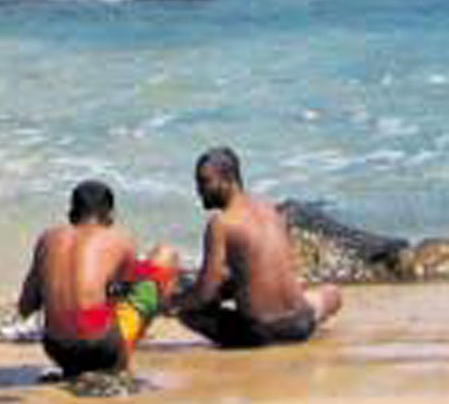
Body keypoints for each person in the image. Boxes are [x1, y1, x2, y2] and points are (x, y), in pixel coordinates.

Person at [175, 146, 343, 348]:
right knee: (332, 293)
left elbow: (205, 295)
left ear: (228, 180)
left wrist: (171, 303)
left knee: (189, 313)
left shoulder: (221, 223)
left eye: (205, 182)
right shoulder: (270, 209)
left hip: (264, 333)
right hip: (302, 323)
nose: (199, 190)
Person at [17, 178, 178, 378]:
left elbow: (25, 306)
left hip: (57, 349)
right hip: (100, 349)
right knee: (165, 256)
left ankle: (80, 363)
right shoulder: (119, 239)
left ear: (71, 213)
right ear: (110, 215)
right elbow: (128, 291)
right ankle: (122, 360)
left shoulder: (47, 239)